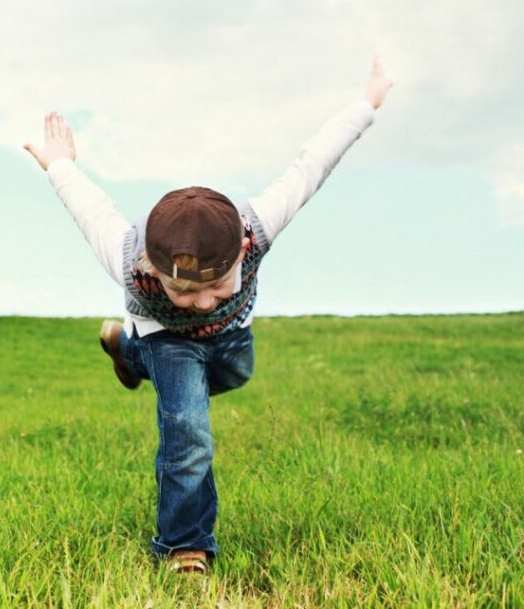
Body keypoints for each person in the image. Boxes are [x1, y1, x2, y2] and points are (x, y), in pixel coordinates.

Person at [23, 57, 393, 574]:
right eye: (183, 290)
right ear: (154, 264)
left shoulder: (257, 228)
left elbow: (312, 164)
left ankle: (127, 355)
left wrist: (367, 102)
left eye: (217, 285)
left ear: (240, 255)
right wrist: (59, 163)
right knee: (188, 430)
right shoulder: (126, 255)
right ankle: (184, 546)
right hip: (167, 341)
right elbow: (90, 206)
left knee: (236, 375)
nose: (202, 303)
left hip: (232, 341)